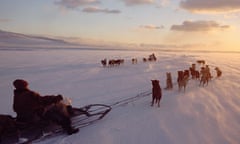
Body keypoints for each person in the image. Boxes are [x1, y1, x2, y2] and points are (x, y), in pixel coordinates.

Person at [12, 79, 79, 135]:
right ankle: (68, 127)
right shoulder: (29, 94)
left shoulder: (17, 95)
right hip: (34, 116)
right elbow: (42, 100)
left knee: (47, 108)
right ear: (23, 86)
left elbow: (16, 108)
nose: (27, 86)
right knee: (58, 106)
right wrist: (55, 98)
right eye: (26, 84)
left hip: (24, 117)